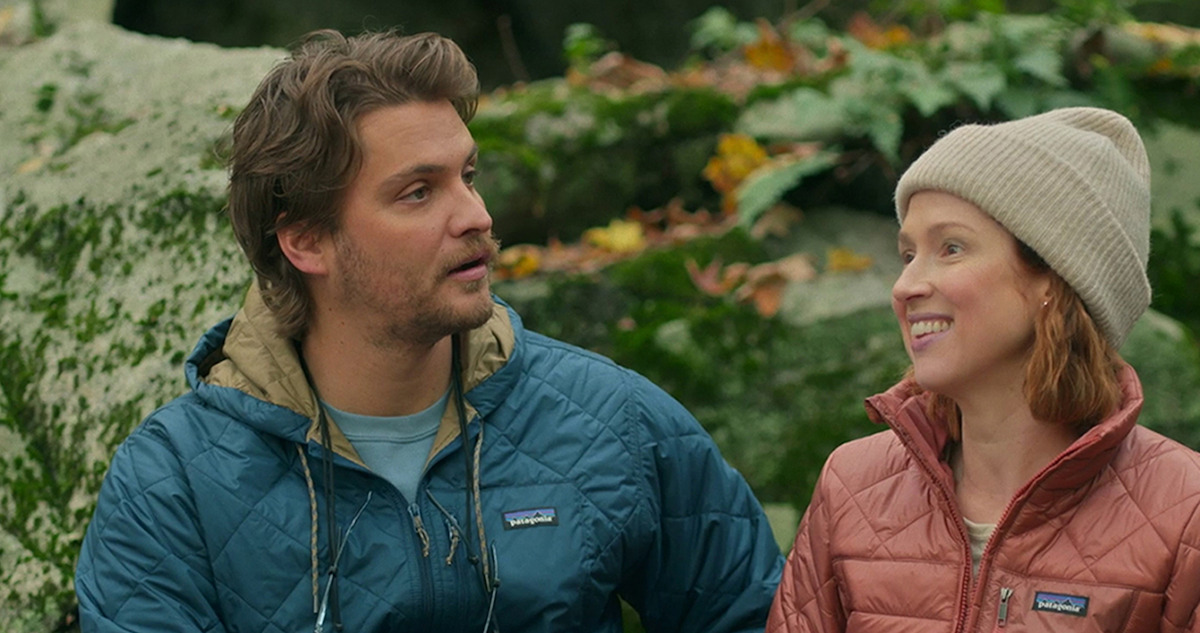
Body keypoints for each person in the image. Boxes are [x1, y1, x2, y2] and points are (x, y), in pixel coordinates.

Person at [75, 28, 783, 633]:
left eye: (468, 175)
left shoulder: (611, 420)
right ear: (307, 243)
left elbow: (762, 614)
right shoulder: (173, 487)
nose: (475, 214)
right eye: (419, 192)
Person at [767, 107, 1200, 632]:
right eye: (908, 254)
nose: (905, 287)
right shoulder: (851, 487)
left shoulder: (1185, 514)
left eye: (951, 248)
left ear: (1053, 280)